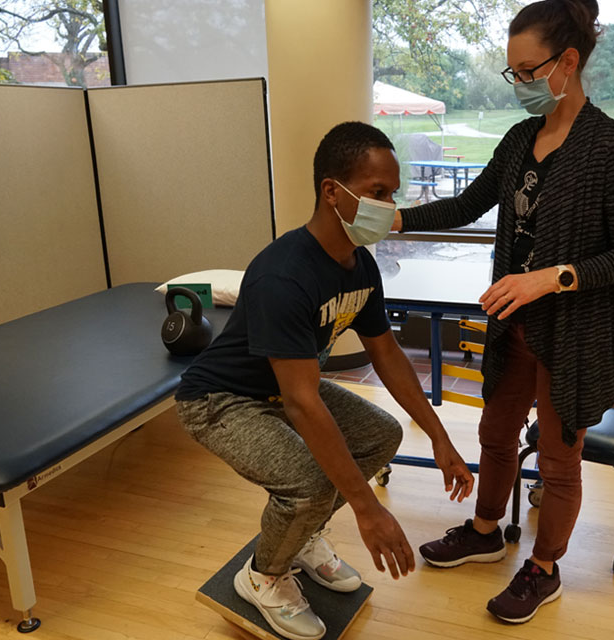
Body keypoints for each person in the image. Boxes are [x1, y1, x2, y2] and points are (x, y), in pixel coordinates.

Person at [392, 0, 614, 625]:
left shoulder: (612, 147)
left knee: (560, 462)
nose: (520, 86)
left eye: (527, 71)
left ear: (567, 63)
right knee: (495, 434)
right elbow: (466, 204)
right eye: (513, 74)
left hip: (574, 334)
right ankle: (485, 531)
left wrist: (551, 278)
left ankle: (544, 567)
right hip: (512, 329)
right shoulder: (518, 141)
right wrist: (396, 218)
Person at [175, 121, 474, 640]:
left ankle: (303, 535)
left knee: (380, 435)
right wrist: (367, 507)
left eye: (392, 193)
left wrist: (440, 438)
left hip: (279, 390)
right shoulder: (284, 276)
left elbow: (388, 354)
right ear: (331, 191)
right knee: (309, 483)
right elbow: (302, 403)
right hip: (220, 400)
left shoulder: (360, 266)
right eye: (377, 193)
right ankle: (263, 575)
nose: (389, 205)